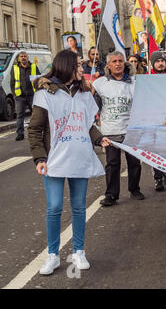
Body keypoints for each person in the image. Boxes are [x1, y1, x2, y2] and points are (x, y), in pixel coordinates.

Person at [28, 49, 111, 275]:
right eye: (78, 65)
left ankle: (78, 251)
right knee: (54, 207)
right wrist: (39, 157)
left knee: (78, 206)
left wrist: (98, 138)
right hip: (54, 159)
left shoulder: (84, 92)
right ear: (67, 66)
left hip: (79, 157)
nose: (82, 69)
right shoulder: (45, 93)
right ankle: (53, 255)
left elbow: (87, 124)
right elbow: (35, 129)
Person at [93, 51, 145, 207]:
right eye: (114, 61)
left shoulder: (135, 83)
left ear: (125, 63)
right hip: (110, 131)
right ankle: (111, 195)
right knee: (112, 164)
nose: (117, 64)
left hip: (131, 129)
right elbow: (93, 105)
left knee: (134, 162)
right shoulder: (100, 83)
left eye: (120, 61)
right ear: (108, 65)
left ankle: (134, 189)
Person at [149, 51, 166, 191]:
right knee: (155, 150)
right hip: (153, 120)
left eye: (163, 61)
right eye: (157, 61)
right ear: (153, 63)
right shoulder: (148, 79)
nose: (160, 63)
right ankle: (158, 178)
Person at [10, 51, 41, 141]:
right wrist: (14, 94)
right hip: (20, 96)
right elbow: (12, 82)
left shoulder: (33, 67)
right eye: (21, 56)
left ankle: (36, 133)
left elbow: (39, 80)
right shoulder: (15, 68)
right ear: (19, 58)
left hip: (32, 95)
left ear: (28, 57)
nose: (23, 58)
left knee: (36, 115)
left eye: (25, 56)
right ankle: (20, 134)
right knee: (20, 115)